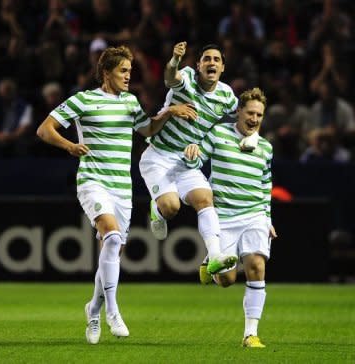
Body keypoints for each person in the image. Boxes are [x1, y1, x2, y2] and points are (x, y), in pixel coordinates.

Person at [37, 45, 195, 345]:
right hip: (93, 181)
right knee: (110, 237)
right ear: (106, 72)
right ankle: (112, 311)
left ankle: (93, 309)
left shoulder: (130, 102)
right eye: (123, 71)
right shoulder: (84, 100)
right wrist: (69, 146)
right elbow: (45, 130)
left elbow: (147, 130)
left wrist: (169, 111)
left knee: (112, 252)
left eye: (129, 71)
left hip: (122, 187)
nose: (128, 76)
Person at [140, 41, 253, 274]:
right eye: (207, 59)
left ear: (222, 67)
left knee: (205, 199)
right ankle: (157, 209)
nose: (211, 63)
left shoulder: (226, 95)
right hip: (159, 155)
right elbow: (171, 77)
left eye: (216, 60)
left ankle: (214, 256)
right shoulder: (188, 79)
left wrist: (252, 137)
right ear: (198, 65)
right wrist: (174, 60)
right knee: (171, 208)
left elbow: (246, 116)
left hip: (186, 162)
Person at [184, 87, 278, 348]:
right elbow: (196, 160)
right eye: (250, 113)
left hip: (254, 216)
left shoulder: (266, 148)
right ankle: (210, 262)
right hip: (223, 217)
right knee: (227, 281)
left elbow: (265, 185)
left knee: (257, 266)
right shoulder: (218, 133)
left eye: (259, 114)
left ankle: (251, 334)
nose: (255, 119)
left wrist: (267, 218)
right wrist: (192, 152)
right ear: (238, 112)